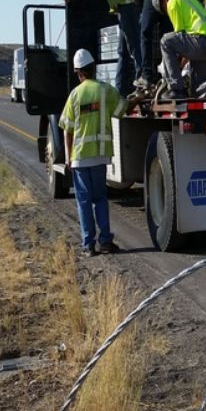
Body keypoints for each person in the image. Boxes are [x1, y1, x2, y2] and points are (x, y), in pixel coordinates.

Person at [59, 48, 128, 256]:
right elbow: (121, 109)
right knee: (100, 199)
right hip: (99, 156)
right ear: (93, 69)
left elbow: (66, 130)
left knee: (84, 202)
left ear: (78, 72)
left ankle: (88, 245)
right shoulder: (106, 90)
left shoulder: (74, 95)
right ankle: (105, 241)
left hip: (80, 158)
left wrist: (69, 156)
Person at [152, 0, 206, 100]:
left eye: (163, 9)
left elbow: (179, 37)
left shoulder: (173, 1)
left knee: (165, 41)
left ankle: (176, 89)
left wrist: (175, 71)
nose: (166, 11)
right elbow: (186, 46)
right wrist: (179, 67)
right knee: (196, 92)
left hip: (199, 41)